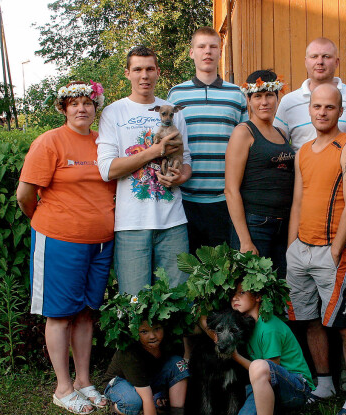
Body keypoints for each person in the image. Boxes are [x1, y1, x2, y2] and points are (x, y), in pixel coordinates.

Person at [17, 81, 114, 414]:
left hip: (101, 242)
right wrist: (51, 222)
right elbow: (25, 195)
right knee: (60, 314)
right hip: (59, 240)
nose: (81, 109)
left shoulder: (104, 141)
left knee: (86, 312)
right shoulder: (50, 142)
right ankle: (62, 387)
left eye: (87, 102)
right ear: (63, 108)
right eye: (74, 103)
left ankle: (83, 381)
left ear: (96, 106)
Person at [286, 83, 346, 415]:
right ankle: (324, 383)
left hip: (333, 251)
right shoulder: (303, 150)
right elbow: (299, 200)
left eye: (329, 107)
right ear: (310, 110)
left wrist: (335, 250)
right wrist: (292, 244)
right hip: (300, 250)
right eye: (317, 106)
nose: (322, 112)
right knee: (309, 321)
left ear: (340, 110)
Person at [96, 46, 192, 297]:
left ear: (158, 72)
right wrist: (154, 152)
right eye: (137, 69)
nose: (144, 75)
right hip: (131, 224)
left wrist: (180, 176)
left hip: (173, 222)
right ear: (127, 73)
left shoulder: (171, 110)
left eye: (150, 69)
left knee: (179, 301)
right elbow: (107, 169)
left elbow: (187, 158)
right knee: (134, 303)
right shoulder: (114, 112)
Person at [167, 27, 248, 254]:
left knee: (225, 273)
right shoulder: (176, 94)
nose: (207, 52)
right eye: (201, 46)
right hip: (186, 198)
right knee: (191, 274)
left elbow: (245, 144)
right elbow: (170, 142)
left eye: (213, 46)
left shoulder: (236, 95)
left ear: (220, 52)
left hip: (226, 198)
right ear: (191, 52)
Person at [228, 283, 314, 415]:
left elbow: (270, 370)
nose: (235, 298)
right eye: (233, 294)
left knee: (260, 366)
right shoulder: (246, 326)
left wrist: (236, 357)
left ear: (258, 297)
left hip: (296, 386)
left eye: (242, 292)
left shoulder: (268, 327)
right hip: (265, 384)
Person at [224, 70, 294, 277]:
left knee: (278, 291)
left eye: (269, 95)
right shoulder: (243, 132)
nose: (264, 102)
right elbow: (230, 190)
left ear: (277, 97)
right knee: (252, 294)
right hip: (255, 224)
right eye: (258, 96)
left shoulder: (281, 133)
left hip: (283, 224)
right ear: (249, 99)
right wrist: (245, 240)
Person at [103, 320, 195, 415]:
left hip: (148, 378)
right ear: (134, 333)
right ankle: (118, 411)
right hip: (120, 382)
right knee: (135, 401)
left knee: (179, 364)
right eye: (144, 332)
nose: (152, 336)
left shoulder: (169, 342)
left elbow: (167, 369)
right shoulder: (130, 353)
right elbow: (146, 398)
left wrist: (161, 394)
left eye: (157, 329)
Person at [274, 37, 346, 154]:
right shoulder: (289, 102)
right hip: (302, 171)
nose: (320, 62)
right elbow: (278, 147)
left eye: (326, 56)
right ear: (306, 61)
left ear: (337, 62)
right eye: (314, 56)